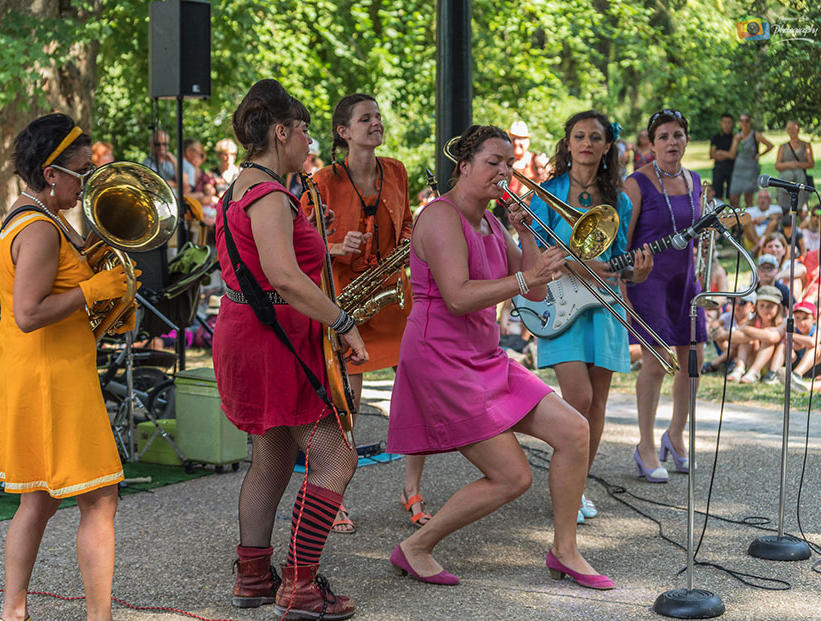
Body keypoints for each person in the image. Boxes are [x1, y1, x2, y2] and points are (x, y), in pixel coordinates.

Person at [388, 125, 613, 590]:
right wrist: (527, 275)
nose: (505, 172)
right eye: (494, 162)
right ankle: (416, 547)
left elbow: (537, 290)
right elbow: (457, 297)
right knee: (512, 477)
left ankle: (565, 550)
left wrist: (525, 231)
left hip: (483, 355)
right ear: (464, 166)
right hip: (440, 361)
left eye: (508, 163)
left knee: (575, 430)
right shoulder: (440, 216)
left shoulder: (490, 222)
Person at [213, 79, 367, 619]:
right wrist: (342, 320)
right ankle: (300, 587)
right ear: (281, 132)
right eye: (304, 131)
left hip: (250, 331)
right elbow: (283, 275)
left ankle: (254, 576)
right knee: (336, 459)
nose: (309, 143)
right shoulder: (271, 193)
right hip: (274, 339)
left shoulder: (243, 186)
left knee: (272, 458)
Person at [0, 113, 131, 621]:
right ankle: (99, 617)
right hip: (54, 377)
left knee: (39, 501)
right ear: (51, 173)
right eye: (82, 171)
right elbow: (28, 314)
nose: (86, 181)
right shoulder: (43, 229)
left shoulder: (29, 214)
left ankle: (14, 611)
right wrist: (94, 289)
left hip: (38, 372)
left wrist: (106, 296)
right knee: (100, 500)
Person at [530, 111, 653, 523]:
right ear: (568, 143)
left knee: (597, 403)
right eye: (579, 136)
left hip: (605, 305)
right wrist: (574, 264)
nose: (586, 143)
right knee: (578, 398)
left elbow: (621, 261)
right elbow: (534, 252)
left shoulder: (619, 199)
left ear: (607, 146)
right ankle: (566, 481)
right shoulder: (547, 192)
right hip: (562, 304)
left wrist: (638, 273)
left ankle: (575, 487)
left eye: (595, 137)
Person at [311, 93, 418, 534]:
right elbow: (302, 241)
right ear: (344, 132)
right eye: (365, 118)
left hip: (392, 296)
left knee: (415, 393)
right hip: (347, 300)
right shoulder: (321, 181)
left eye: (378, 116)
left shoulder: (396, 170)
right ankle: (334, 498)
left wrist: (408, 240)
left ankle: (413, 489)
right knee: (346, 405)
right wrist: (336, 246)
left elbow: (406, 220)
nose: (376, 123)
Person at [624, 109, 706, 483]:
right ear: (652, 143)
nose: (672, 142)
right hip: (649, 281)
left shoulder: (696, 181)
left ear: (686, 139)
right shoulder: (637, 183)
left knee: (693, 362)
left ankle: (675, 435)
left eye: (678, 135)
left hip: (685, 281)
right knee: (656, 363)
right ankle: (644, 445)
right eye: (664, 137)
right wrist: (625, 289)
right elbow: (623, 245)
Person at [727, 286, 785, 384]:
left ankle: (755, 372)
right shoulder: (753, 321)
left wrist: (748, 330)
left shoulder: (783, 322)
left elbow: (772, 338)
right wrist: (753, 333)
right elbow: (732, 337)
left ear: (778, 307)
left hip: (770, 366)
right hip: (753, 359)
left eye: (770, 306)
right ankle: (739, 369)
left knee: (767, 342)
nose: (765, 309)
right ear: (756, 307)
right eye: (762, 305)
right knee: (747, 340)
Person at [729, 113, 774, 209]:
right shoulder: (737, 136)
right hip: (738, 170)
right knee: (734, 198)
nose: (744, 123)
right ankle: (737, 217)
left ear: (750, 122)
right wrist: (736, 141)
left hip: (750, 169)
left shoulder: (755, 135)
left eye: (747, 121)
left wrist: (760, 154)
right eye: (742, 121)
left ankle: (749, 217)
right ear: (739, 123)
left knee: (748, 198)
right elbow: (732, 154)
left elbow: (770, 145)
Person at [775, 120, 815, 211]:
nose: (792, 131)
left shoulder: (806, 145)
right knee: (784, 209)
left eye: (794, 128)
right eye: (789, 129)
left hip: (800, 182)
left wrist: (797, 164)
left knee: (802, 209)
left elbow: (811, 164)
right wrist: (788, 165)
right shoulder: (783, 147)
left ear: (798, 130)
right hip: (785, 182)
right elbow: (777, 165)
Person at [760, 233, 802, 303]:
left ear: (784, 250)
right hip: (764, 300)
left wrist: (777, 276)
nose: (774, 249)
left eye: (777, 246)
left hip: (784, 300)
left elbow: (802, 269)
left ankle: (792, 306)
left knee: (793, 279)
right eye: (770, 246)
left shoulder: (788, 264)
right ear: (764, 249)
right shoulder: (759, 267)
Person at [710, 114, 736, 202]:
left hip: (732, 170)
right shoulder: (716, 137)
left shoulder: (734, 138)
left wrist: (720, 152)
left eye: (729, 122)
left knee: (732, 197)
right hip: (718, 170)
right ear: (721, 123)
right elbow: (712, 155)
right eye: (724, 122)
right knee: (718, 197)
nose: (726, 125)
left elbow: (733, 155)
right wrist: (728, 154)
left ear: (732, 124)